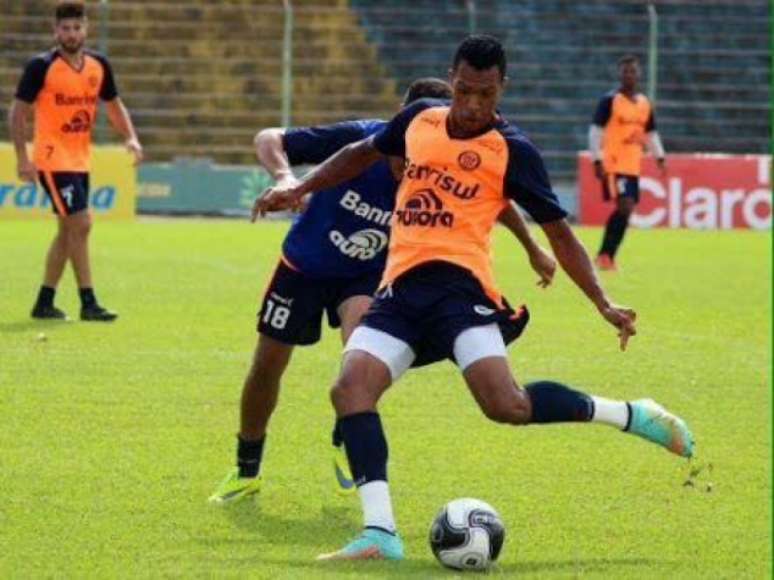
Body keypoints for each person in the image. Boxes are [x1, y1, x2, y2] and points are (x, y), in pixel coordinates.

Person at [257, 35, 694, 561]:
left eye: (484, 95)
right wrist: (299, 187)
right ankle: (380, 533)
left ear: (500, 88)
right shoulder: (419, 119)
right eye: (463, 90)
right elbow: (358, 153)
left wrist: (602, 302)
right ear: (452, 78)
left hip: (461, 292)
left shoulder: (514, 150)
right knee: (350, 389)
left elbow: (560, 233)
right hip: (399, 291)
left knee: (506, 405)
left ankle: (630, 414)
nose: (470, 105)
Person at [209, 77, 558, 504]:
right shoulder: (363, 138)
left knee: (359, 359)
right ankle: (247, 469)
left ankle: (347, 434)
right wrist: (285, 177)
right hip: (304, 263)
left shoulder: (445, 153)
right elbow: (269, 137)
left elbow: (496, 200)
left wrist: (533, 248)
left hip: (368, 275)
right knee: (266, 367)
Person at [8, 1, 143, 322]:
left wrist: (131, 137)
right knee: (82, 224)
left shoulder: (99, 65)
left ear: (86, 29)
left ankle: (44, 302)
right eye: (65, 28)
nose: (71, 34)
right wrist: (22, 158)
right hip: (53, 159)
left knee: (68, 232)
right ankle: (88, 301)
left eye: (77, 27)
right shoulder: (41, 66)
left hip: (80, 159)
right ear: (56, 31)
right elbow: (17, 112)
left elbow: (113, 105)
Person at [590, 54, 666, 271]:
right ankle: (605, 255)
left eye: (633, 71)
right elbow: (595, 131)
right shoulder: (610, 101)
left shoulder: (644, 103)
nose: (629, 75)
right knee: (625, 206)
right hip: (613, 164)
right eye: (625, 71)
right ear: (619, 74)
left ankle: (607, 256)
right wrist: (597, 159)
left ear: (639, 74)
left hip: (633, 165)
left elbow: (650, 133)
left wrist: (659, 156)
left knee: (627, 209)